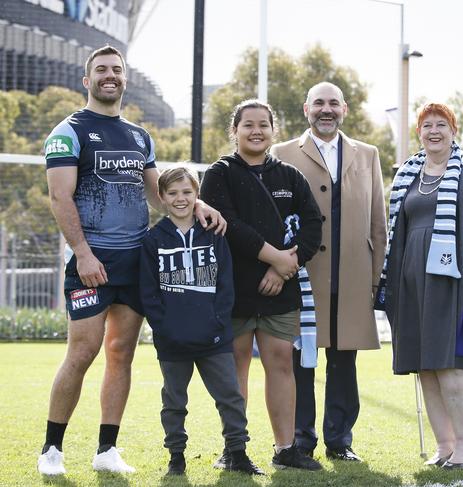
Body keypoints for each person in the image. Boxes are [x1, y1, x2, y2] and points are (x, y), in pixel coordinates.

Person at [37, 45, 225, 476]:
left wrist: (198, 207)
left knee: (121, 352)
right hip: (91, 262)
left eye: (116, 70)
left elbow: (164, 193)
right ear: (87, 80)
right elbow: (58, 196)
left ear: (125, 79)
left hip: (136, 262)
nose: (110, 76)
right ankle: (52, 449)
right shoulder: (68, 132)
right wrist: (82, 253)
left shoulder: (140, 137)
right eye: (101, 70)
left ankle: (107, 450)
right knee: (82, 352)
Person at [375, 102, 463, 469]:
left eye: (441, 124)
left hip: (459, 282)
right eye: (426, 126)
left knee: (456, 366)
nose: (433, 131)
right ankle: (445, 445)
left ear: (454, 130)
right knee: (428, 367)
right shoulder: (408, 174)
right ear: (418, 133)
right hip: (413, 283)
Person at [200, 99, 323, 471]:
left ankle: (286, 449)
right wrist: (275, 257)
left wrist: (286, 268)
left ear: (273, 130)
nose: (256, 131)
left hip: (279, 289)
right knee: (235, 366)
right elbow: (229, 226)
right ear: (234, 131)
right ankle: (234, 449)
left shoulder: (289, 175)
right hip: (233, 290)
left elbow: (314, 225)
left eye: (263, 125)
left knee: (281, 364)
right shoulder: (219, 173)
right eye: (247, 125)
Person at [270, 81, 387, 462]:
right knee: (300, 361)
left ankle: (340, 440)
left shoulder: (367, 154)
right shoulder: (282, 152)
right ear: (306, 109)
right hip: (300, 275)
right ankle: (301, 439)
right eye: (319, 103)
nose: (326, 109)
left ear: (345, 109)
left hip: (352, 276)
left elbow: (378, 224)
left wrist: (374, 278)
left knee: (343, 361)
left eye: (333, 103)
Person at [139, 166, 264, 476]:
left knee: (230, 397)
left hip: (214, 338)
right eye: (173, 193)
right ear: (162, 197)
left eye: (187, 192)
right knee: (174, 401)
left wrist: (217, 323)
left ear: (196, 196)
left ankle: (238, 453)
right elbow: (149, 293)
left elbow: (225, 285)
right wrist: (165, 329)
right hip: (173, 341)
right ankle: (176, 458)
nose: (180, 199)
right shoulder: (153, 240)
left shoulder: (213, 235)